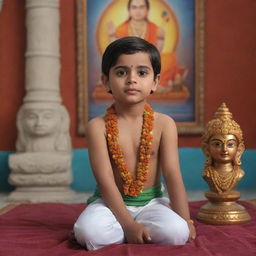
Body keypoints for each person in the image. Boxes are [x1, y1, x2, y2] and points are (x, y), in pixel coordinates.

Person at [73, 36, 196, 250]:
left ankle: (122, 232)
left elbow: (172, 174)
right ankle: (126, 230)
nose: (131, 79)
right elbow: (105, 181)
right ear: (105, 81)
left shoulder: (164, 124)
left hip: (151, 203)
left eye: (142, 72)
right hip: (109, 204)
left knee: (177, 232)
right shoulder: (97, 127)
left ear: (155, 82)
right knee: (88, 233)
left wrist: (187, 221)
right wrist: (129, 225)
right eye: (121, 72)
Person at [107, 0, 187, 89]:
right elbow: (117, 51)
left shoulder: (153, 28)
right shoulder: (122, 28)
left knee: (170, 58)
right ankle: (159, 83)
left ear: (147, 10)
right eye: (134, 7)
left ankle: (162, 82)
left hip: (149, 61)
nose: (138, 11)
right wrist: (112, 36)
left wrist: (161, 39)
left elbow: (156, 52)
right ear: (129, 11)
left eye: (141, 7)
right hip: (128, 62)